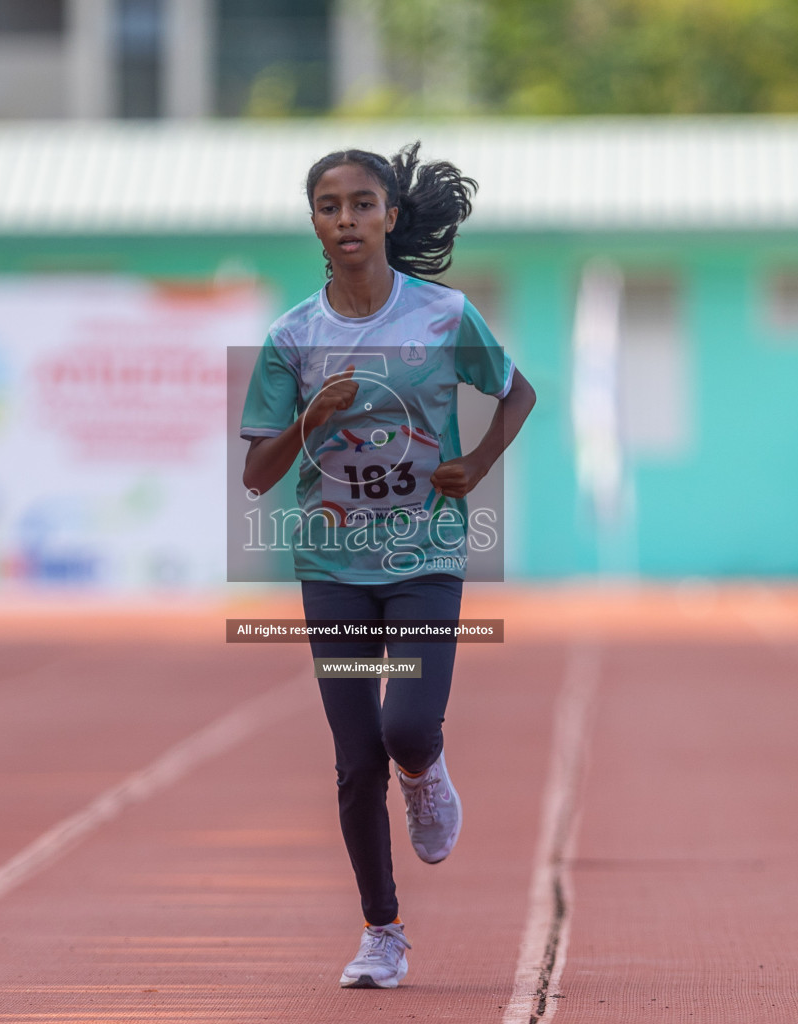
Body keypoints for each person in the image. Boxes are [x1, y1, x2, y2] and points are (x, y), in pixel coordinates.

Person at [239, 142, 536, 987]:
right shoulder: (292, 337)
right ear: (315, 224)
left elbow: (517, 391)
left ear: (390, 216)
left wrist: (473, 467)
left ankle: (427, 770)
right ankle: (383, 932)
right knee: (354, 756)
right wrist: (312, 420)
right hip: (331, 565)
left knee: (404, 728)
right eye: (330, 207)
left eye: (362, 204)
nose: (347, 219)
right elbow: (258, 476)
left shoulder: (443, 316)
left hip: (425, 555)